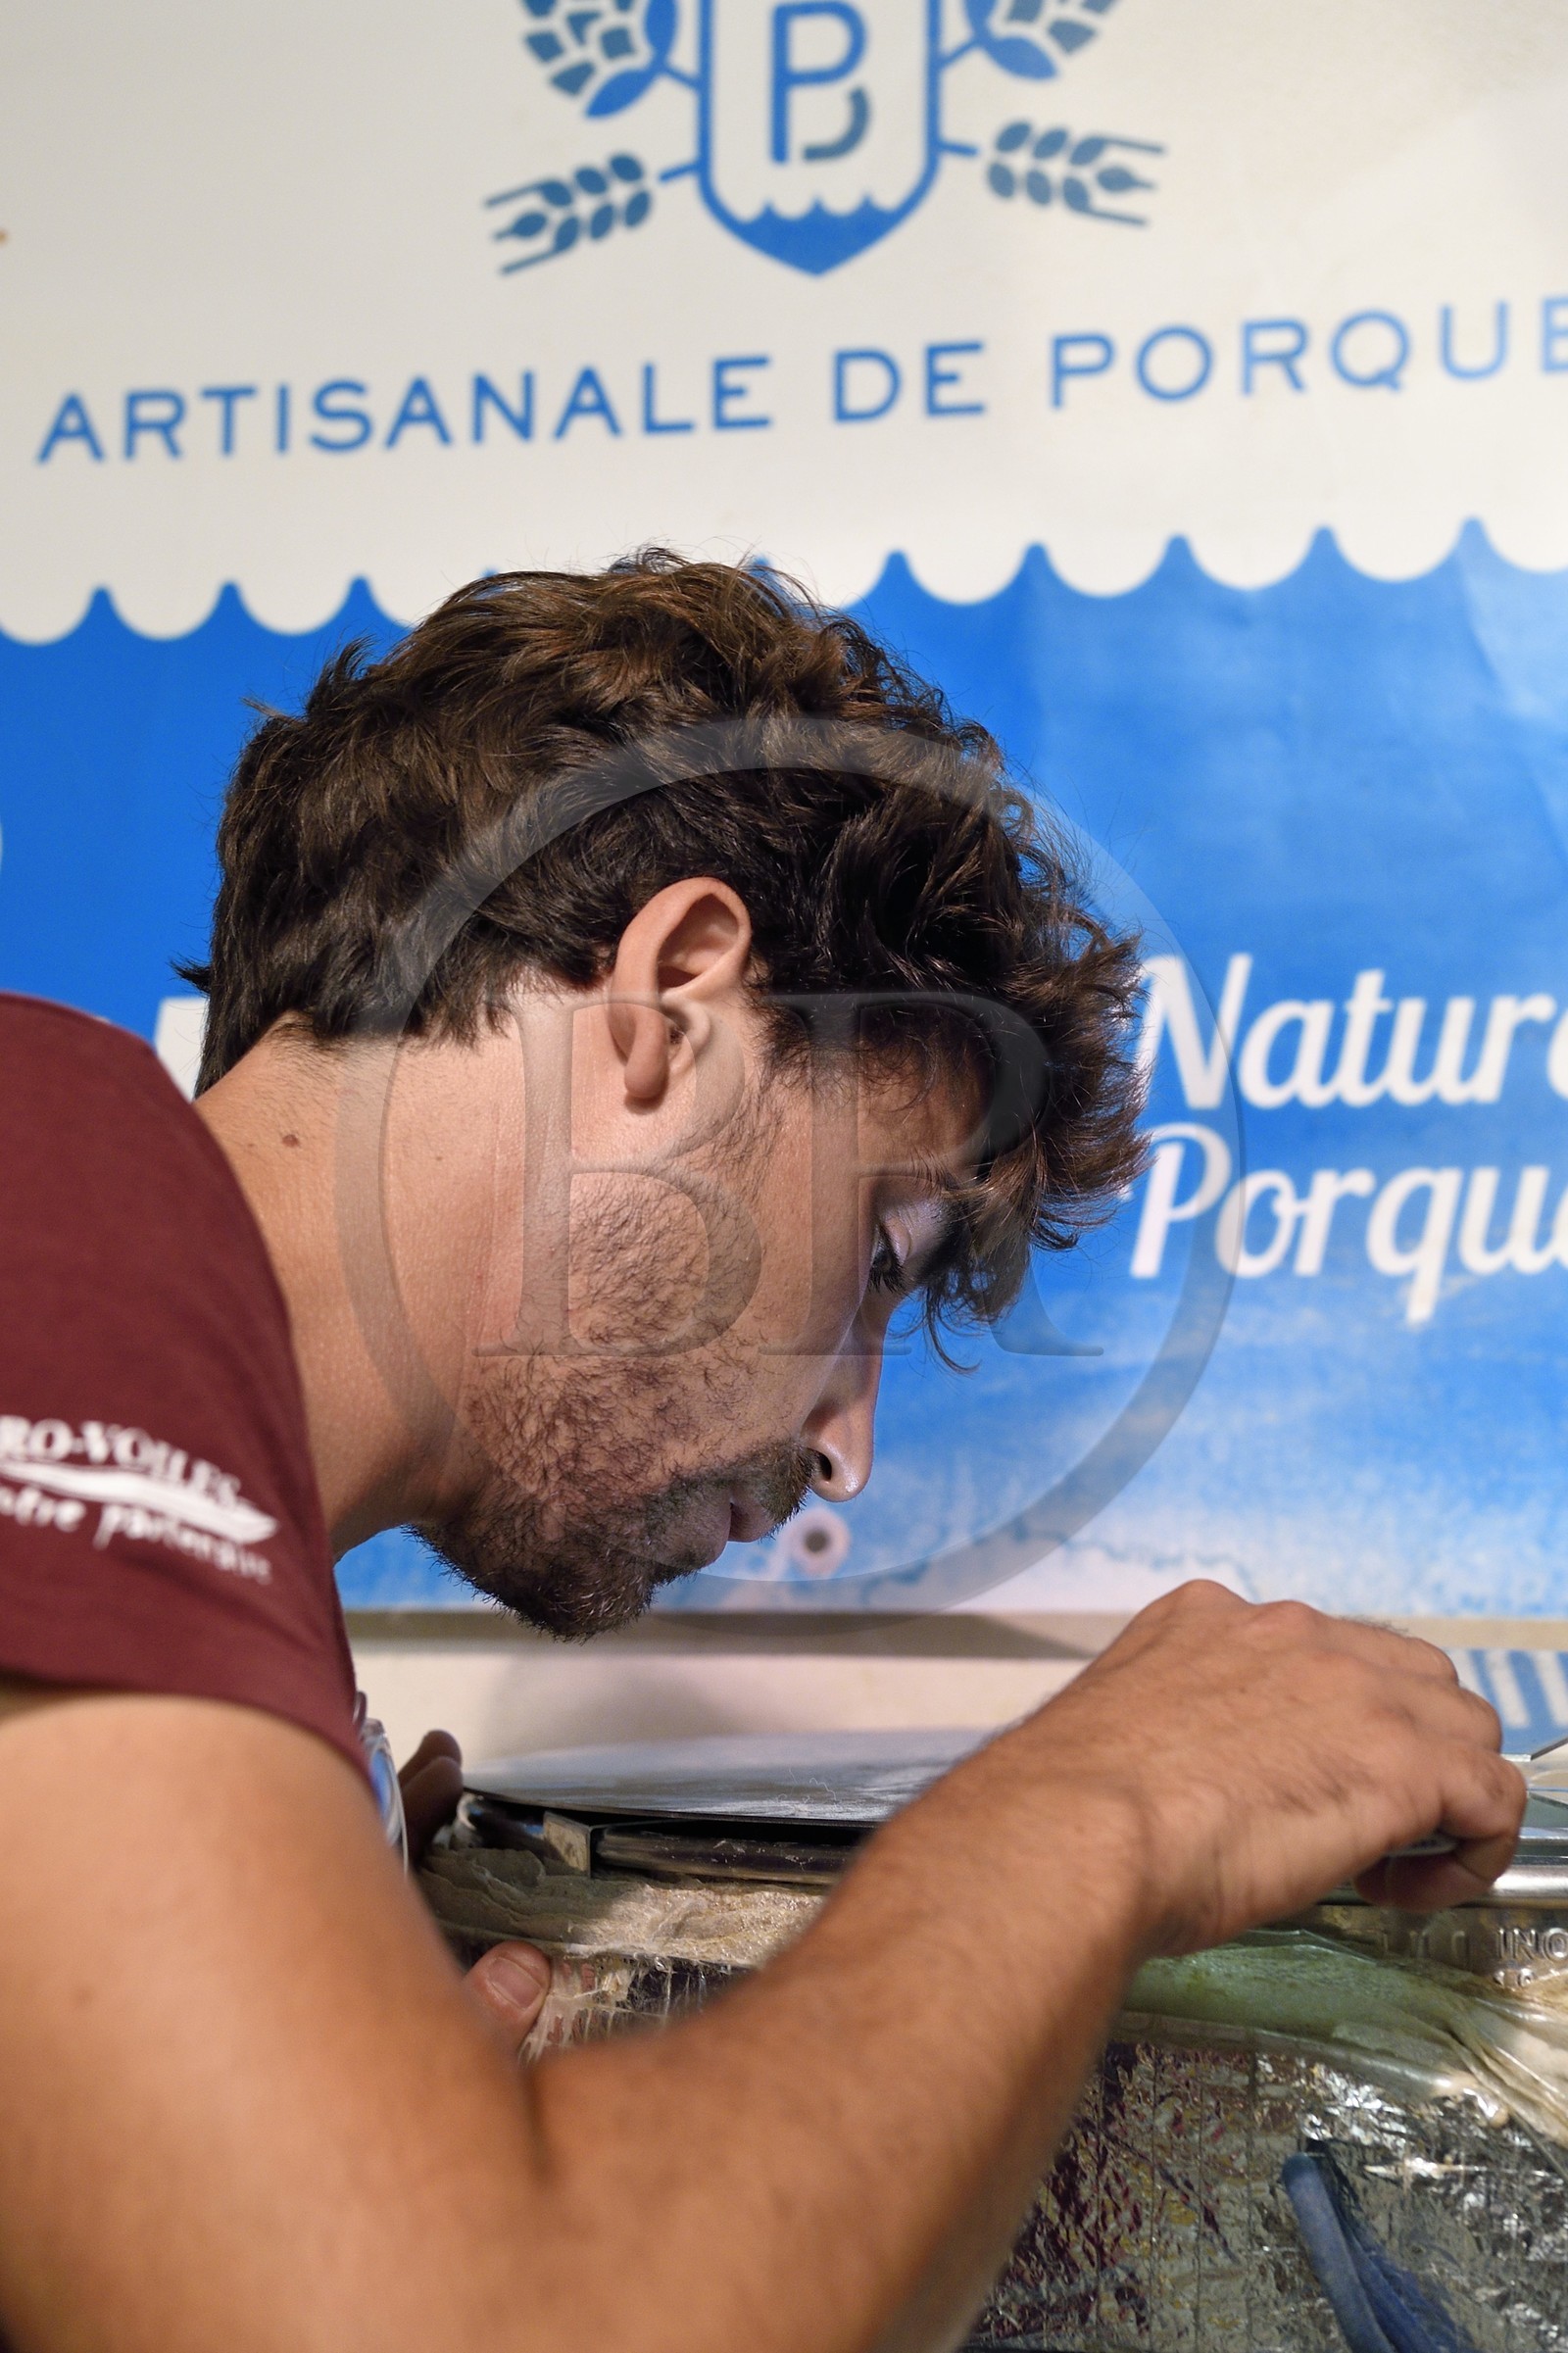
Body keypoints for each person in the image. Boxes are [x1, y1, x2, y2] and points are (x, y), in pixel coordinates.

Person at [0, 557, 1522, 2353]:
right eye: (882, 1254)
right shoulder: (51, 1185)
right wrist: (1103, 1804)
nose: (850, 1446)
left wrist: (352, 2107)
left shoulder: (263, 1643)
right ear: (676, 1000)